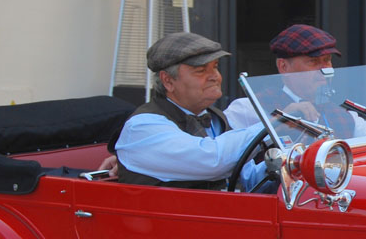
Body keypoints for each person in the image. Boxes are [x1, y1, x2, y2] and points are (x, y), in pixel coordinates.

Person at [113, 32, 267, 190]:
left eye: (215, 67)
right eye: (200, 70)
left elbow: (248, 180)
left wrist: (280, 166)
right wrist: (274, 125)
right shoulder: (142, 127)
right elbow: (212, 161)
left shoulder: (216, 118)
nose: (214, 76)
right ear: (168, 80)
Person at [224, 24, 366, 139]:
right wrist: (275, 123)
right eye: (313, 61)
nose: (325, 70)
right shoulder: (249, 109)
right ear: (283, 66)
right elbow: (224, 158)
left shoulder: (348, 118)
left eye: (327, 60)